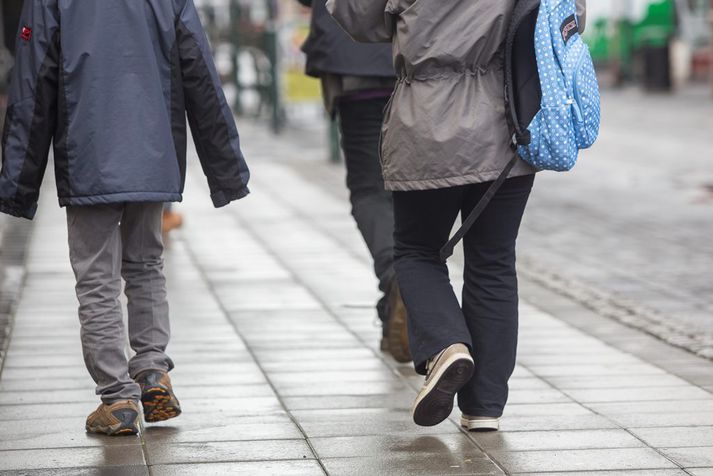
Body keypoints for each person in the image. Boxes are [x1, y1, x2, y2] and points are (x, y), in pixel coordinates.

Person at [328, 0, 586, 430]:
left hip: (427, 124)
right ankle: (484, 407)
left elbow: (356, 19)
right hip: (513, 120)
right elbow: (569, 15)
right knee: (494, 260)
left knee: (416, 251)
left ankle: (447, 346)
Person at [0, 0, 250, 436]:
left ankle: (117, 398)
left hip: (88, 148)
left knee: (96, 274)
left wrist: (18, 181)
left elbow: (33, 81)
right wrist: (225, 167)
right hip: (152, 152)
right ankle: (153, 371)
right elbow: (200, 73)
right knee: (146, 263)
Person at [296, 0, 410, 362]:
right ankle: (409, 289)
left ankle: (396, 281)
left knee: (369, 189)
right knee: (414, 186)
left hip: (352, 62)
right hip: (414, 56)